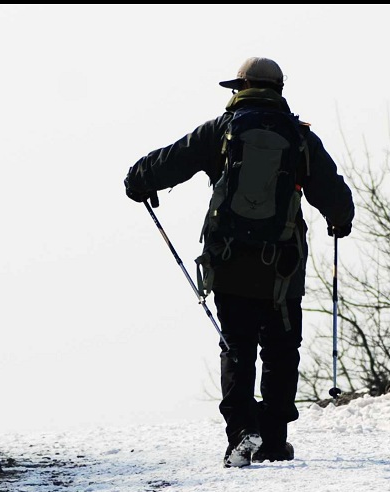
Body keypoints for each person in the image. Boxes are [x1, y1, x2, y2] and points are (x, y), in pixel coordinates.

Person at [124, 57, 355, 468]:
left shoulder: (221, 130)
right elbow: (336, 198)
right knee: (282, 350)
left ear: (241, 87)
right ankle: (273, 439)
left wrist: (138, 180)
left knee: (237, 347)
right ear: (279, 89)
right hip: (282, 266)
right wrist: (340, 222)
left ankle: (241, 435)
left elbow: (165, 163)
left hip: (229, 261)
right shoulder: (301, 138)